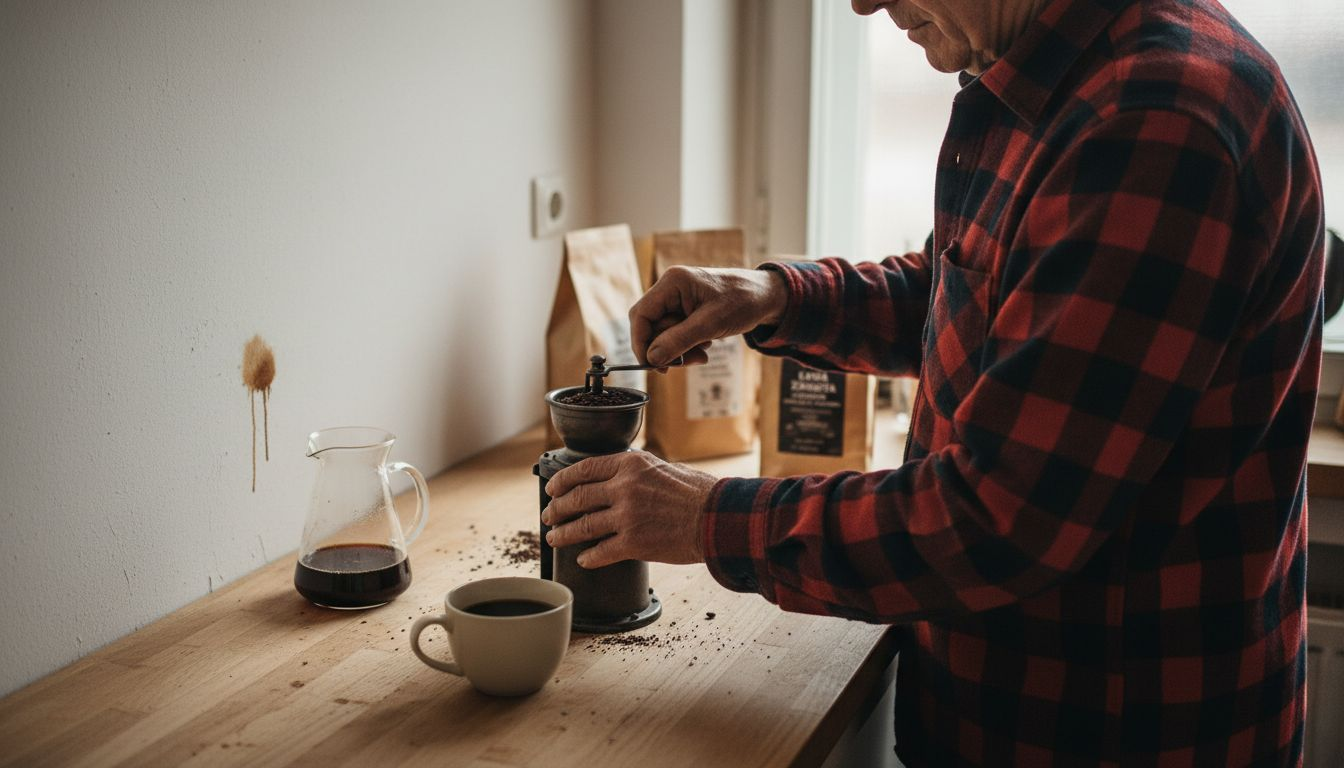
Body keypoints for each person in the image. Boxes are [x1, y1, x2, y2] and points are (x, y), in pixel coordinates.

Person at [544, 0, 1324, 764]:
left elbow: (996, 519)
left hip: (1108, 726)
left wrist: (706, 518)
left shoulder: (1153, 122)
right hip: (996, 702)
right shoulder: (1054, 81)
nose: (861, 4)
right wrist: (775, 296)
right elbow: (988, 298)